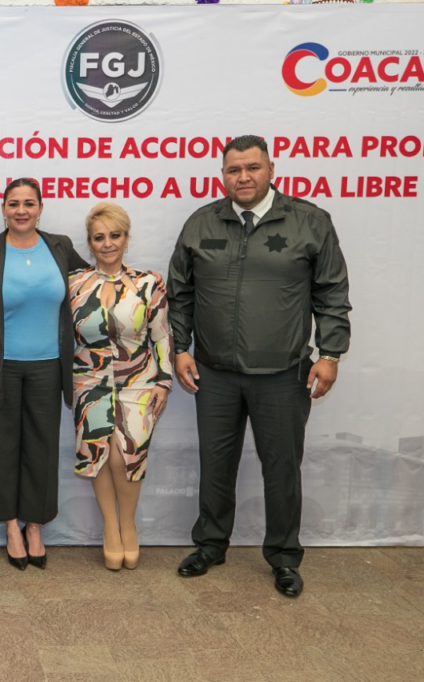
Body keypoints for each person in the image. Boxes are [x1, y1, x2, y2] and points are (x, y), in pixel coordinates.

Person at [167, 135, 351, 597]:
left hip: (283, 374)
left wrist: (330, 354)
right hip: (214, 373)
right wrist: (180, 348)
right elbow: (180, 292)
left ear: (271, 170)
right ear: (222, 175)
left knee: (282, 468)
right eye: (234, 170)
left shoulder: (309, 221)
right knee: (215, 464)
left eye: (252, 167)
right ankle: (210, 545)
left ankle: (284, 557)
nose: (243, 177)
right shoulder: (201, 222)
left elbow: (332, 292)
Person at [0, 177, 88, 570]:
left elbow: (91, 285)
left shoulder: (60, 246)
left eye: (29, 203)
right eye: (13, 203)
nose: (21, 210)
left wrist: (133, 282)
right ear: (3, 209)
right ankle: (10, 527)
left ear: (40, 208)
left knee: (41, 449)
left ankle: (34, 526)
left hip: (49, 366)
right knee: (1, 449)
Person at [69, 202, 172, 571]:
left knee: (127, 456)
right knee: (98, 455)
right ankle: (110, 528)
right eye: (99, 237)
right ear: (90, 243)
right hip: (89, 380)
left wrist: (164, 380)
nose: (107, 243)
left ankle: (128, 524)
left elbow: (162, 336)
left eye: (115, 235)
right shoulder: (74, 284)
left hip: (139, 381)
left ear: (127, 239)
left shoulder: (149, 283)